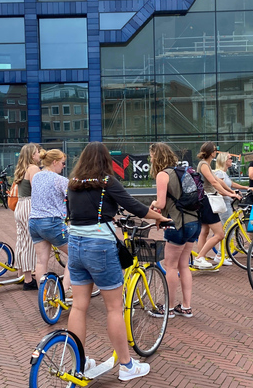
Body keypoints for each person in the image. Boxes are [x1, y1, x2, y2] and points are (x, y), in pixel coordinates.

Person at [67, 142, 171, 382]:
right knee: (114, 308)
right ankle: (126, 366)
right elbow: (135, 207)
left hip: (75, 244)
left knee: (79, 307)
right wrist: (160, 217)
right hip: (99, 246)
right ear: (105, 160)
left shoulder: (73, 183)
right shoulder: (106, 182)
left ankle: (77, 362)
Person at [149, 142, 199, 318]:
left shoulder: (163, 175)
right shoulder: (183, 171)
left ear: (157, 156)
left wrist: (153, 204)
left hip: (177, 224)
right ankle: (186, 306)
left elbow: (161, 203)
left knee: (170, 266)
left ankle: (169, 308)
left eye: (152, 155)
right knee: (184, 265)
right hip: (194, 222)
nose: (151, 158)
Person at [29, 148, 70, 298]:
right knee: (75, 254)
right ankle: (64, 292)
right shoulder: (59, 180)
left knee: (41, 261)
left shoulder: (37, 176)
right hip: (52, 222)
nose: (64, 166)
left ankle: (44, 295)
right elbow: (75, 195)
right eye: (63, 163)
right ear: (55, 162)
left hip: (34, 222)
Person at [193, 142, 239, 269]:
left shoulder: (206, 165)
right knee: (220, 234)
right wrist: (229, 195)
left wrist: (231, 192)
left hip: (204, 200)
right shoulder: (203, 164)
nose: (216, 151)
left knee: (205, 231)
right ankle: (199, 258)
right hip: (207, 201)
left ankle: (201, 259)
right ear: (211, 152)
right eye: (215, 150)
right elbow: (213, 182)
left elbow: (219, 181)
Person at [212, 152, 252, 266]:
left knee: (228, 229)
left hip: (227, 204)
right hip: (223, 205)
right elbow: (218, 189)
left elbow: (231, 184)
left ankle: (223, 254)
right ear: (225, 160)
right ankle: (219, 255)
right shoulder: (219, 173)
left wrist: (243, 188)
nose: (231, 160)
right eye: (230, 158)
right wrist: (230, 194)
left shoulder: (224, 173)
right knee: (227, 229)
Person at [13, 143, 41, 290]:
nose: (39, 154)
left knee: (22, 240)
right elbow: (37, 190)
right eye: (37, 152)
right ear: (32, 155)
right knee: (30, 243)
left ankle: (21, 273)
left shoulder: (21, 169)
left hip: (20, 205)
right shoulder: (33, 168)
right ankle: (29, 280)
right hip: (30, 205)